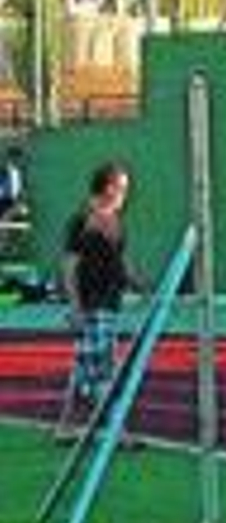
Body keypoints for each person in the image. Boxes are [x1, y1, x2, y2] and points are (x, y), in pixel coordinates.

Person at [55, 161, 140, 439]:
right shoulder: (83, 219)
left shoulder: (117, 222)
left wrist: (140, 284)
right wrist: (75, 307)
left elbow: (122, 262)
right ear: (107, 187)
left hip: (110, 302)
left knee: (83, 368)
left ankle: (65, 426)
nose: (125, 193)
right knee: (104, 368)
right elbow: (69, 265)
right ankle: (118, 430)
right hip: (92, 304)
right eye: (122, 187)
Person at [0, 144, 25, 223]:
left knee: (21, 210)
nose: (17, 161)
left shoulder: (18, 173)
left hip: (9, 202)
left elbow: (18, 192)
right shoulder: (4, 172)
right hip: (4, 200)